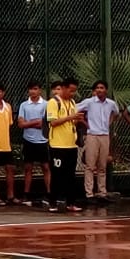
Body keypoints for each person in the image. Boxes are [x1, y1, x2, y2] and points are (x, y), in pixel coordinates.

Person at [77, 80, 121, 203]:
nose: (99, 90)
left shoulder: (111, 104)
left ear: (106, 90)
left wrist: (109, 123)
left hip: (104, 136)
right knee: (90, 166)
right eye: (97, 88)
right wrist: (86, 123)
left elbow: (116, 113)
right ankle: (89, 193)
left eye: (102, 87)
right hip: (92, 135)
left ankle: (102, 192)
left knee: (102, 166)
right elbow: (75, 109)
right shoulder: (89, 102)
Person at [47, 78, 83, 212]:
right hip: (58, 145)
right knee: (57, 174)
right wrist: (70, 117)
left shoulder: (72, 102)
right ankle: (53, 202)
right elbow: (53, 122)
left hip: (71, 144)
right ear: (63, 88)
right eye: (70, 90)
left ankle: (71, 202)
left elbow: (72, 122)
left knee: (71, 175)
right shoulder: (53, 102)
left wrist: (77, 119)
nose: (72, 94)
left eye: (74, 91)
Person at [17, 82, 51, 205]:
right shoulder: (24, 105)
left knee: (46, 167)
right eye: (30, 89)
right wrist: (36, 122)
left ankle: (49, 194)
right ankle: (26, 195)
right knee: (28, 168)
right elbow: (21, 124)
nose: (33, 91)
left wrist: (29, 123)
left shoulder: (47, 104)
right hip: (28, 141)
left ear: (40, 90)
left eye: (35, 89)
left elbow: (45, 123)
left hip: (43, 140)